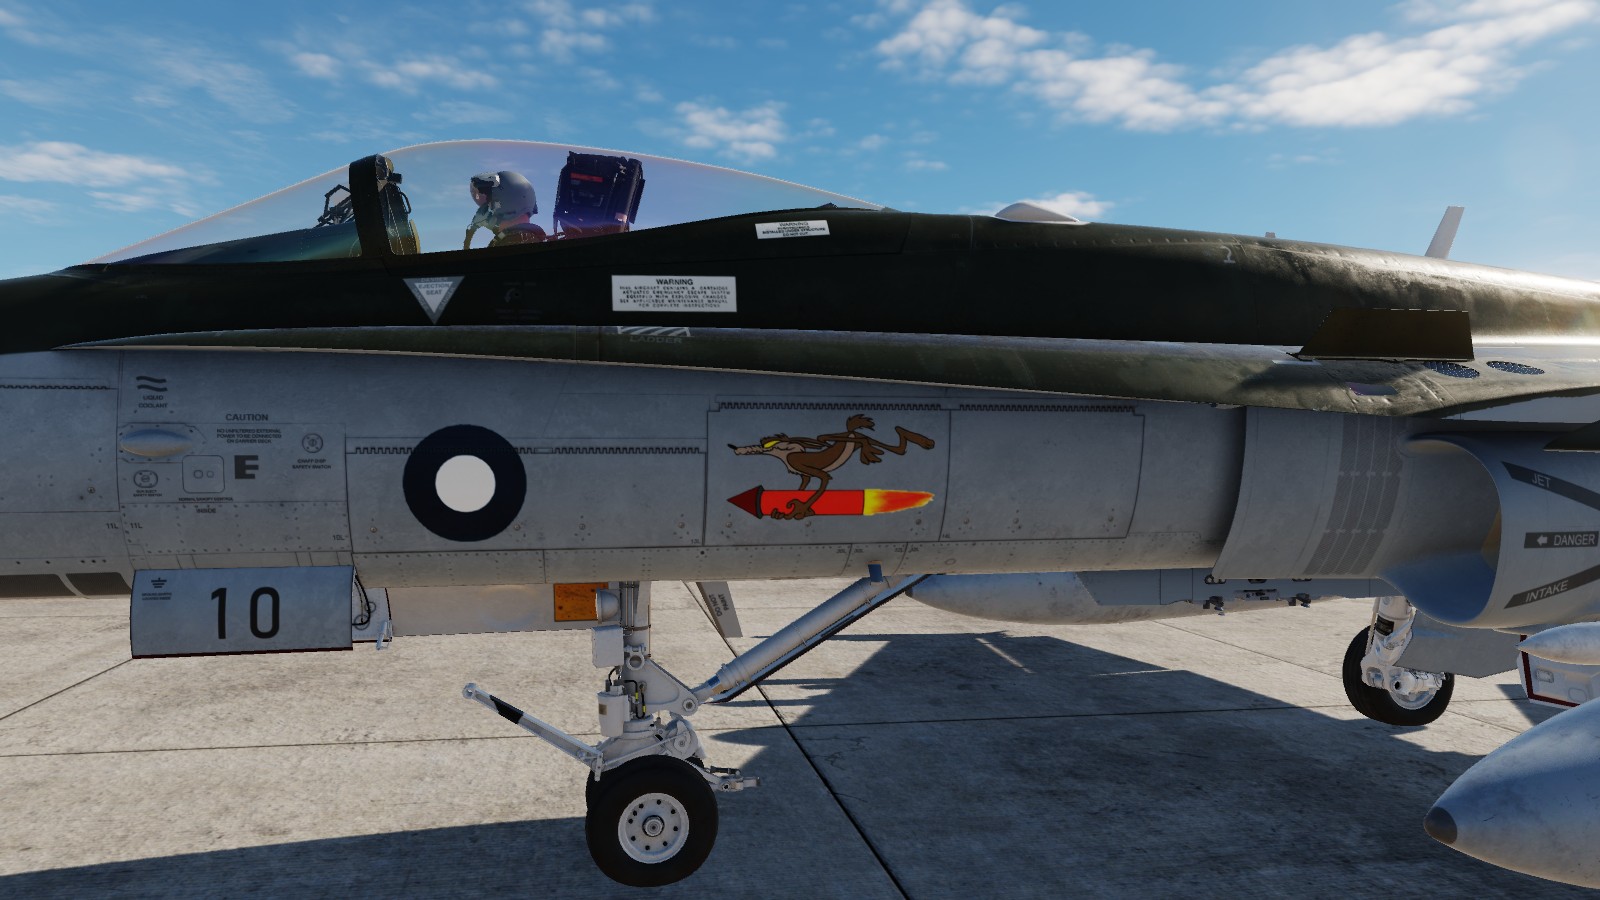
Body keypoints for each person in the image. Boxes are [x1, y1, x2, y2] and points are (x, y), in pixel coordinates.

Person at [464, 171, 547, 249]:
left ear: (506, 203)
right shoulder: (534, 239)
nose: (484, 209)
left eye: (490, 203)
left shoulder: (510, 243)